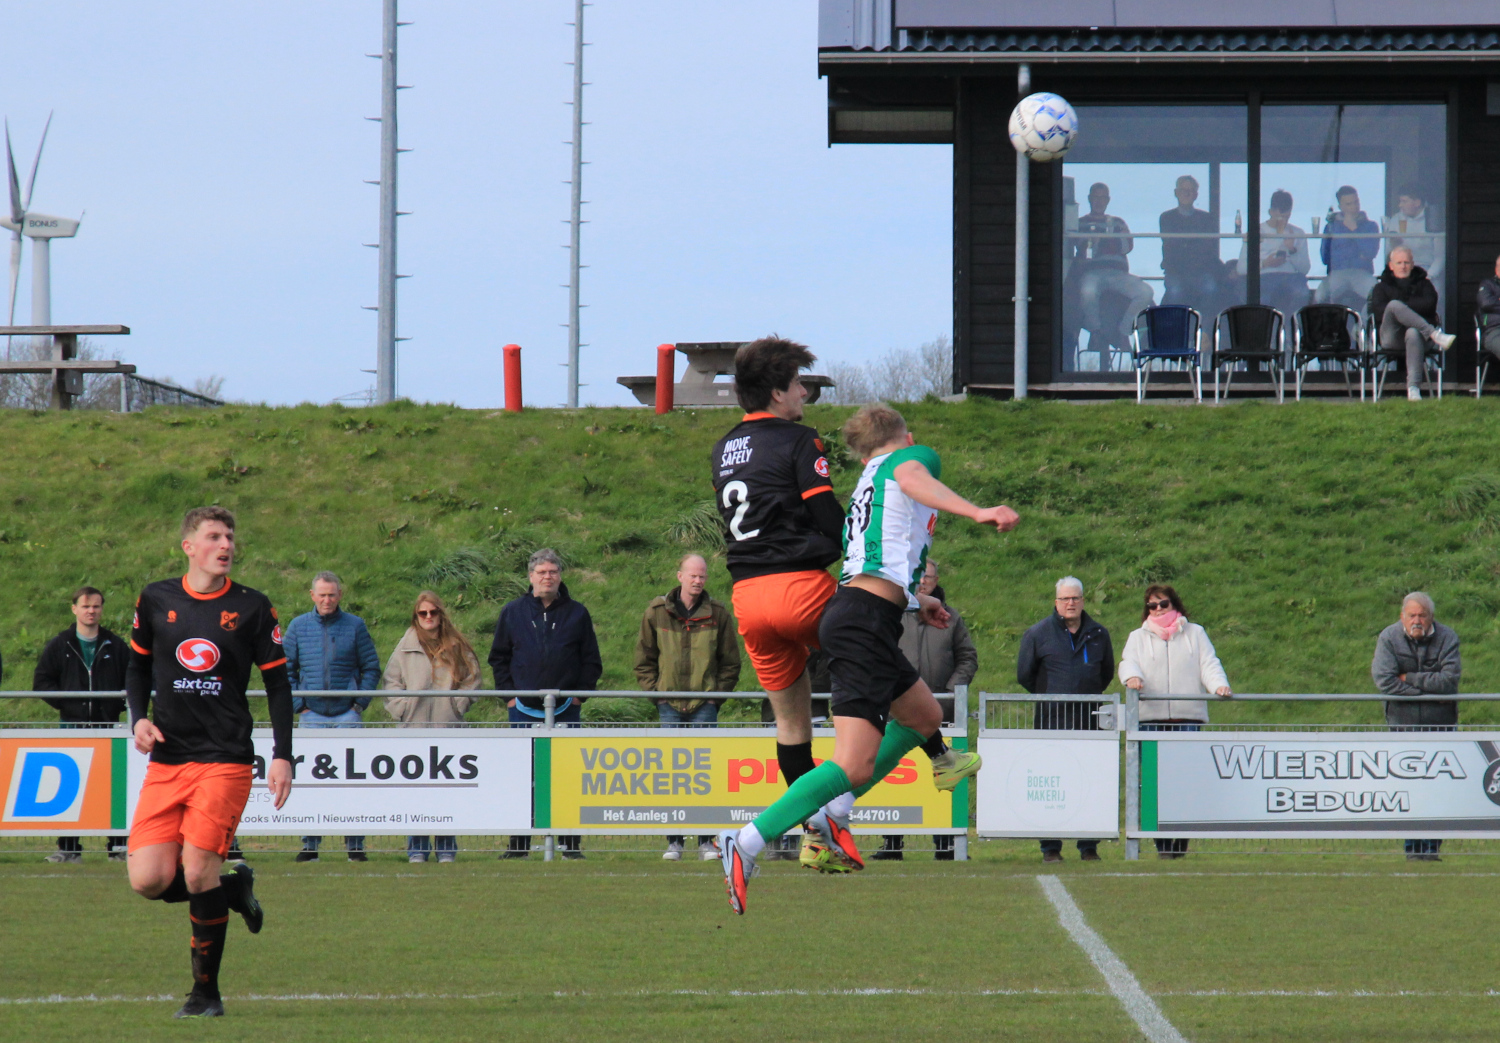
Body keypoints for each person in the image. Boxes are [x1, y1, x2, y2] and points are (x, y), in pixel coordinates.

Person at [716, 403, 1017, 914]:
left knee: (924, 716)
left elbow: (873, 558)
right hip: (862, 621)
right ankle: (746, 842)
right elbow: (917, 477)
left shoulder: (866, 485)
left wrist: (922, 600)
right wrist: (979, 511)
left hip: (862, 610)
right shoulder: (909, 459)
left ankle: (909, 778)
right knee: (852, 763)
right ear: (907, 437)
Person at [710, 338, 974, 873]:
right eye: (799, 385)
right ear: (779, 391)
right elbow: (826, 515)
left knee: (792, 726)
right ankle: (921, 767)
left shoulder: (723, 447)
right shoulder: (799, 439)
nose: (805, 393)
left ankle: (822, 827)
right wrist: (854, 551)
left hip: (745, 596)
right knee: (871, 658)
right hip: (801, 586)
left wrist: (910, 594)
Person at [124, 506, 293, 1020]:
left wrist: (283, 755)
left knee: (198, 871)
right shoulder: (156, 598)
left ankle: (204, 995)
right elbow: (137, 665)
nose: (225, 545)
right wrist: (137, 720)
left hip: (225, 758)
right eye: (214, 536)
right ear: (189, 547)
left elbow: (278, 684)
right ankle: (234, 886)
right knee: (148, 880)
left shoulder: (252, 606)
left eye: (230, 537)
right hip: (169, 760)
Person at [488, 548, 601, 859]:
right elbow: (499, 658)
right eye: (541, 572)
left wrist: (580, 695)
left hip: (566, 708)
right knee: (522, 778)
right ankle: (519, 846)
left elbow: (591, 660)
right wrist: (508, 697)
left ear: (560, 576)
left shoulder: (578, 613)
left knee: (566, 777)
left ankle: (570, 846)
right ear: (531, 577)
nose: (547, 577)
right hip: (523, 708)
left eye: (552, 572)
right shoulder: (513, 612)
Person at [634, 553, 742, 862]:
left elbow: (731, 663)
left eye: (702, 576)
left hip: (704, 706)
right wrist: (657, 695)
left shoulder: (719, 614)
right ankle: (674, 842)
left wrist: (715, 697)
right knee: (673, 773)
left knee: (704, 774)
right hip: (668, 705)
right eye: (692, 575)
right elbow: (643, 660)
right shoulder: (656, 612)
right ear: (679, 575)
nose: (697, 581)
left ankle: (706, 841)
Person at [1118, 584, 1230, 860]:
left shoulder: (1195, 633)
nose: (1157, 609)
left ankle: (1180, 842)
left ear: (1174, 603)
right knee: (1155, 785)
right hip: (1150, 722)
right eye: (1152, 605)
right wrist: (1132, 678)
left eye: (1163, 604)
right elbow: (1127, 662)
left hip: (1187, 719)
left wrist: (1219, 685)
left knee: (1184, 784)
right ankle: (1163, 846)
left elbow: (1209, 664)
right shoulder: (1137, 637)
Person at [878, 559, 977, 861]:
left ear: (936, 581)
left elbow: (968, 658)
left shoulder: (952, 618)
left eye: (928, 577)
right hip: (897, 712)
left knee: (944, 772)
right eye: (917, 577)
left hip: (941, 715)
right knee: (896, 776)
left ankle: (945, 844)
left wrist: (949, 693)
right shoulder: (893, 615)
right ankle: (891, 844)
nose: (922, 582)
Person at [284, 571, 381, 863]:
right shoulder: (298, 627)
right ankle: (310, 845)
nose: (327, 600)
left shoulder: (355, 626)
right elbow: (284, 669)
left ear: (340, 595)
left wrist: (359, 704)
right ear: (312, 595)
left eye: (332, 594)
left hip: (347, 716)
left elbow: (371, 667)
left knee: (353, 781)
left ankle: (355, 845)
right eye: (321, 594)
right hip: (311, 715)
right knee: (311, 782)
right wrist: (299, 705)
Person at [1017, 576, 1114, 864]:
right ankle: (1051, 847)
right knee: (1051, 783)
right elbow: (1025, 675)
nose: (1070, 603)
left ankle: (1088, 846)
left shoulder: (1099, 633)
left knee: (1090, 782)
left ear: (1083, 601)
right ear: (1055, 602)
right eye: (1065, 599)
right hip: (1051, 723)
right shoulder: (1037, 634)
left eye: (1076, 598)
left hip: (1089, 722)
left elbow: (1105, 673)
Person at [383, 591, 480, 864]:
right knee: (416, 792)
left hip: (447, 729)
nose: (428, 618)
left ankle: (447, 848)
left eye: (433, 612)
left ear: (440, 614)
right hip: (413, 729)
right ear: (416, 616)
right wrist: (401, 708)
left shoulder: (457, 644)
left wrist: (457, 705)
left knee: (447, 791)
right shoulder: (405, 647)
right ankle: (417, 849)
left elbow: (473, 678)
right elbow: (391, 682)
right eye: (422, 613)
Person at [34, 586, 128, 863]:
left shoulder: (115, 644)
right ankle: (69, 848)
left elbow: (134, 679)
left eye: (96, 606)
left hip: (109, 728)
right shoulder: (60, 644)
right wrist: (68, 705)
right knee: (69, 790)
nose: (91, 611)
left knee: (113, 787)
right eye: (86, 606)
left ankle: (118, 846)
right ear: (74, 608)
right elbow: (41, 681)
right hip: (72, 728)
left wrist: (116, 706)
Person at [1372, 592, 1460, 861]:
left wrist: (1408, 678)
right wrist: (1424, 691)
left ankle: (1431, 849)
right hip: (1402, 727)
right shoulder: (1388, 637)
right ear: (1402, 617)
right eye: (1412, 615)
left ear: (1431, 617)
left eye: (1422, 614)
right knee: (1408, 788)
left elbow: (1449, 681)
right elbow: (1384, 681)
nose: (1417, 620)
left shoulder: (1447, 637)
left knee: (1439, 787)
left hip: (1441, 727)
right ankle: (1412, 849)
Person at [1075, 182, 1155, 358]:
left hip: (1119, 274)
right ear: (1089, 199)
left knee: (1145, 292)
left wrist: (1115, 236)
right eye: (1096, 197)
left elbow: (1127, 247)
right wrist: (1094, 241)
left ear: (1108, 200)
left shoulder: (1118, 222)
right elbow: (1081, 249)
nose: (1099, 201)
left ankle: (1124, 331)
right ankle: (1095, 331)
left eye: (1103, 197)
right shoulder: (1081, 223)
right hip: (1093, 273)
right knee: (1088, 289)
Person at [1368, 246, 1455, 401]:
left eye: (1406, 262)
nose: (1403, 266)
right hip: (1392, 337)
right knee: (1394, 305)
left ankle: (1413, 389)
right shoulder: (1380, 287)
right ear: (1391, 265)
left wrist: (1404, 310)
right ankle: (1435, 334)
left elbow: (1429, 305)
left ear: (1413, 264)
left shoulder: (1425, 285)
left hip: (1420, 338)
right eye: (1399, 262)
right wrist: (1404, 308)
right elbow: (1379, 310)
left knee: (1413, 331)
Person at [1240, 188, 1310, 322]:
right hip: (1263, 276)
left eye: (1286, 216)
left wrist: (1292, 250)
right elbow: (1241, 268)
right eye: (1279, 216)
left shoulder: (1297, 233)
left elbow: (1305, 269)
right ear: (1270, 212)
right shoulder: (1256, 231)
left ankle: (1291, 334)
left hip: (1290, 276)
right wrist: (1264, 264)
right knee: (1261, 298)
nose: (1282, 221)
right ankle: (1268, 337)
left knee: (1302, 292)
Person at [1159, 174, 1223, 317]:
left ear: (1196, 194)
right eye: (1183, 190)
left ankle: (1205, 334)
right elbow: (1171, 245)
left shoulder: (1207, 218)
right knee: (1175, 291)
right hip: (1175, 271)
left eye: (1191, 190)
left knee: (1211, 289)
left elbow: (1208, 248)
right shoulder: (1166, 217)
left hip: (1201, 271)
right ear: (1176, 193)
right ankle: (1177, 334)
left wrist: (1185, 244)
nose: (1186, 193)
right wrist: (1194, 243)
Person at [1316, 186, 1381, 309]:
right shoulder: (1331, 227)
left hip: (1362, 272)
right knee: (1320, 295)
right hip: (1337, 273)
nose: (1354, 207)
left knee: (1377, 295)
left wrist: (1354, 230)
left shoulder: (1370, 226)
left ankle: (1367, 326)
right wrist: (1357, 253)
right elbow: (1325, 258)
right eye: (1349, 204)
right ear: (1340, 206)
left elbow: (1370, 253)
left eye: (1356, 202)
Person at [1382, 186, 1444, 307]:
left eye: (1404, 201)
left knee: (1429, 300)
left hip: (1427, 271)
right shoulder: (1396, 219)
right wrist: (1393, 245)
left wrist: (1428, 276)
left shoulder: (1433, 219)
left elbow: (1440, 257)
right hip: (1402, 269)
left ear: (1417, 202)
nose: (1400, 205)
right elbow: (1388, 254)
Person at [1477, 253, 1500, 364]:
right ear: (1496, 270)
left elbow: (1492, 304)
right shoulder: (1488, 284)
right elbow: (1486, 303)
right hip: (1494, 331)